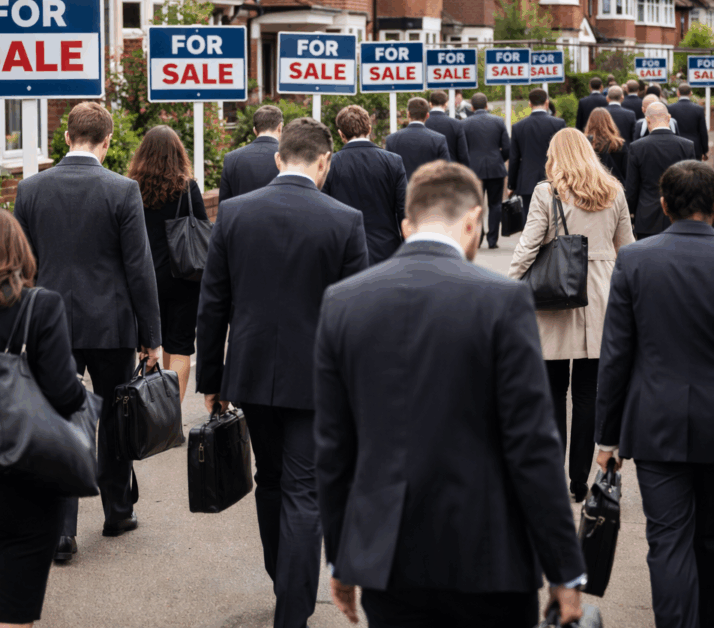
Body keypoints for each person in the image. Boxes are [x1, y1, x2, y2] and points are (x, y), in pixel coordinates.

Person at [315, 161, 586, 628]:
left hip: (389, 556)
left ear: (405, 226)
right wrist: (564, 568)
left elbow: (334, 448)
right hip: (489, 555)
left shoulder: (343, 302)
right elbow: (532, 445)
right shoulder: (502, 300)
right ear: (472, 221)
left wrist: (342, 558)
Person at [197, 118, 368, 628]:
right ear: (324, 162)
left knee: (269, 479)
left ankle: (283, 581)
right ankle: (291, 608)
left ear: (278, 158)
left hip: (249, 374)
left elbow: (213, 304)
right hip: (317, 380)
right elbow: (356, 314)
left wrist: (212, 380)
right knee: (303, 489)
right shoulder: (345, 220)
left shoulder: (233, 212)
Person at [14, 102, 161, 562]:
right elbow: (139, 268)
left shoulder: (30, 189)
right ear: (108, 140)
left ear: (65, 137)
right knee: (115, 418)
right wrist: (152, 335)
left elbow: (22, 268)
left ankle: (61, 531)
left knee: (60, 421)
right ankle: (117, 511)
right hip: (111, 324)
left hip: (48, 325)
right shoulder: (122, 190)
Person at [0, 208, 86, 628]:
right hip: (19, 487)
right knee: (11, 613)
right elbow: (65, 395)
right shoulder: (39, 307)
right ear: (19, 251)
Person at [595, 161, 714, 628]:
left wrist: (606, 440)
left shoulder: (637, 259)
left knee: (667, 540)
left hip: (657, 422)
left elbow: (616, 355)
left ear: (663, 205)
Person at [508, 129, 633, 502]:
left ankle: (551, 478)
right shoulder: (613, 191)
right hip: (602, 294)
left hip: (556, 296)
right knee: (588, 393)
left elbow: (529, 245)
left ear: (555, 155)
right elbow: (627, 248)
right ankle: (581, 479)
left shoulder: (548, 192)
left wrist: (507, 288)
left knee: (551, 391)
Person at [128, 125, 209, 406]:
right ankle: (172, 413)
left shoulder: (132, 187)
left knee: (154, 341)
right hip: (183, 276)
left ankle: (156, 413)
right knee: (181, 345)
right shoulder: (187, 187)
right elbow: (202, 226)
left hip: (146, 277)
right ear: (178, 154)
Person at [322, 104, 407, 265]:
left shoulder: (330, 164)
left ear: (341, 134)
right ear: (369, 129)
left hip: (343, 251)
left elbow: (324, 211)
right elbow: (404, 210)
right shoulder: (393, 161)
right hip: (387, 251)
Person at [626, 102, 696, 239]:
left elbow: (632, 187)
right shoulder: (687, 146)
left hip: (647, 216)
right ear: (669, 118)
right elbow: (692, 185)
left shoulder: (637, 147)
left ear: (647, 120)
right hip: (679, 215)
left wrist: (631, 213)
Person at [462, 92, 510, 248]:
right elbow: (507, 147)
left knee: (475, 206)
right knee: (495, 204)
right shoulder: (498, 121)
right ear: (487, 105)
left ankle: (478, 237)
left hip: (474, 170)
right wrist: (499, 159)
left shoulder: (464, 124)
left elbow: (463, 149)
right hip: (495, 167)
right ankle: (492, 239)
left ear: (472, 107)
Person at [508, 88, 566, 217]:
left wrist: (511, 184)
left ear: (529, 104)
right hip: (554, 179)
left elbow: (514, 158)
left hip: (528, 182)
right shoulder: (558, 124)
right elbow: (564, 153)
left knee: (530, 220)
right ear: (547, 102)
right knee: (554, 219)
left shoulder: (518, 127)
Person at [218, 105, 282, 202]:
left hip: (241, 216)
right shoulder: (289, 157)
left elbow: (224, 204)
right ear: (280, 127)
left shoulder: (231, 158)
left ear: (254, 130)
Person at [385, 97, 450, 179]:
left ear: (408, 114)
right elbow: (446, 170)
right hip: (430, 189)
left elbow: (387, 171)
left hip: (403, 190)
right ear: (427, 115)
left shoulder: (392, 139)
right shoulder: (439, 139)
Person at [424, 90, 470, 165]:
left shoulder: (424, 123)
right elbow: (462, 154)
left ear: (430, 104)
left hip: (427, 169)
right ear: (446, 103)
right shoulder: (456, 124)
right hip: (450, 170)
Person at [585, 107, 628, 185]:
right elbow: (626, 171)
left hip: (591, 186)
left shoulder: (585, 142)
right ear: (609, 122)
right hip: (615, 186)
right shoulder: (619, 144)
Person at [669, 83, 709, 160]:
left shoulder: (670, 108)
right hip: (695, 147)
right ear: (691, 93)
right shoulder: (699, 109)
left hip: (676, 147)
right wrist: (705, 150)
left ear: (678, 93)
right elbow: (703, 131)